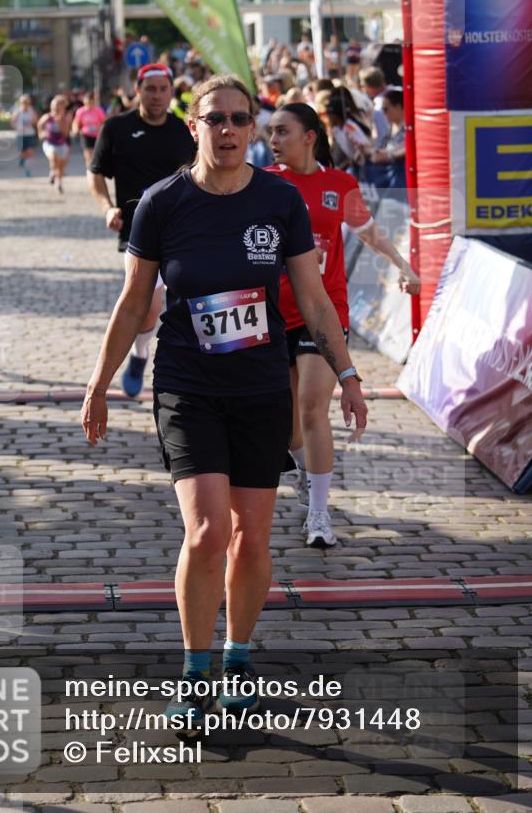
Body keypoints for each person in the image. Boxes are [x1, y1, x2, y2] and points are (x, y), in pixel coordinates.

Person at [81, 75, 367, 730]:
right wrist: (97, 387)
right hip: (187, 385)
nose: (231, 129)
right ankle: (195, 670)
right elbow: (133, 303)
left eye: (241, 118)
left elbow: (314, 298)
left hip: (262, 388)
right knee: (207, 530)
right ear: (195, 127)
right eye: (217, 119)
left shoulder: (278, 199)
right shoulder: (162, 203)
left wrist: (347, 374)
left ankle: (236, 660)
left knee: (251, 538)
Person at [267, 102, 419, 547]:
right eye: (271, 133)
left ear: (310, 136)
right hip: (275, 310)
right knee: (288, 417)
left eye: (282, 132)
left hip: (324, 310)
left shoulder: (341, 184)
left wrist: (403, 266)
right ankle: (303, 469)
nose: (272, 141)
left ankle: (319, 515)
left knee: (314, 405)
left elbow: (370, 233)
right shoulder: (266, 184)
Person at [87, 63, 196, 397]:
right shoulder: (117, 128)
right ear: (138, 90)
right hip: (136, 229)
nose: (158, 96)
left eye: (163, 89)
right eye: (150, 89)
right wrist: (107, 209)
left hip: (182, 228)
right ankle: (139, 354)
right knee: (148, 303)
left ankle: (190, 375)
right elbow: (96, 174)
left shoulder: (182, 130)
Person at [365, 88, 407, 191]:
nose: (383, 113)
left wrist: (388, 156)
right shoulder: (391, 128)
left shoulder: (409, 129)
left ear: (398, 107)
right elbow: (381, 148)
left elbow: (407, 147)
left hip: (398, 177)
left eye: (385, 109)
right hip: (384, 174)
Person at [38, 95, 72, 193]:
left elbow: (65, 134)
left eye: (60, 106)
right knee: (53, 156)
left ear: (63, 107)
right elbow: (39, 124)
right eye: (55, 105)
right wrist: (41, 134)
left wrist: (61, 123)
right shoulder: (47, 117)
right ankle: (53, 171)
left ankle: (59, 182)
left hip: (62, 143)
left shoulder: (65, 118)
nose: (57, 108)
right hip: (49, 142)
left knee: (61, 166)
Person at [72, 91, 106, 170]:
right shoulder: (80, 111)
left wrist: (100, 127)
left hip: (97, 136)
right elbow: (76, 122)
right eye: (87, 102)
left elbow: (104, 122)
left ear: (93, 102)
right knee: (88, 155)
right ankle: (90, 170)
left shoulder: (98, 110)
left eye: (91, 102)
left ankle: (96, 169)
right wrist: (75, 129)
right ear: (84, 102)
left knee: (96, 155)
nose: (89, 105)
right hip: (86, 135)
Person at [11, 94, 39, 176]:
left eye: (27, 102)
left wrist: (32, 121)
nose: (25, 103)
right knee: (21, 153)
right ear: (20, 103)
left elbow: (35, 121)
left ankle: (28, 170)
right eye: (23, 102)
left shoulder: (31, 110)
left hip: (30, 134)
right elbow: (12, 121)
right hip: (20, 135)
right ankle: (21, 159)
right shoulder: (17, 111)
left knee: (30, 152)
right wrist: (16, 127)